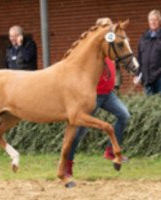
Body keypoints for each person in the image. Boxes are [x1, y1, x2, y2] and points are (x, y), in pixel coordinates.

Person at [65, 18, 130, 178]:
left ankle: (110, 150)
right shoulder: (94, 52)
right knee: (78, 132)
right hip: (92, 96)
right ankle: (67, 164)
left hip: (108, 94)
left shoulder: (110, 48)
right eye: (105, 27)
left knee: (124, 115)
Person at [134, 10, 161, 95]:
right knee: (149, 106)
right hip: (147, 78)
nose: (153, 22)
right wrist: (137, 74)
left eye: (155, 20)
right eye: (151, 20)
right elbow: (140, 57)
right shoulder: (144, 37)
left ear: (160, 21)